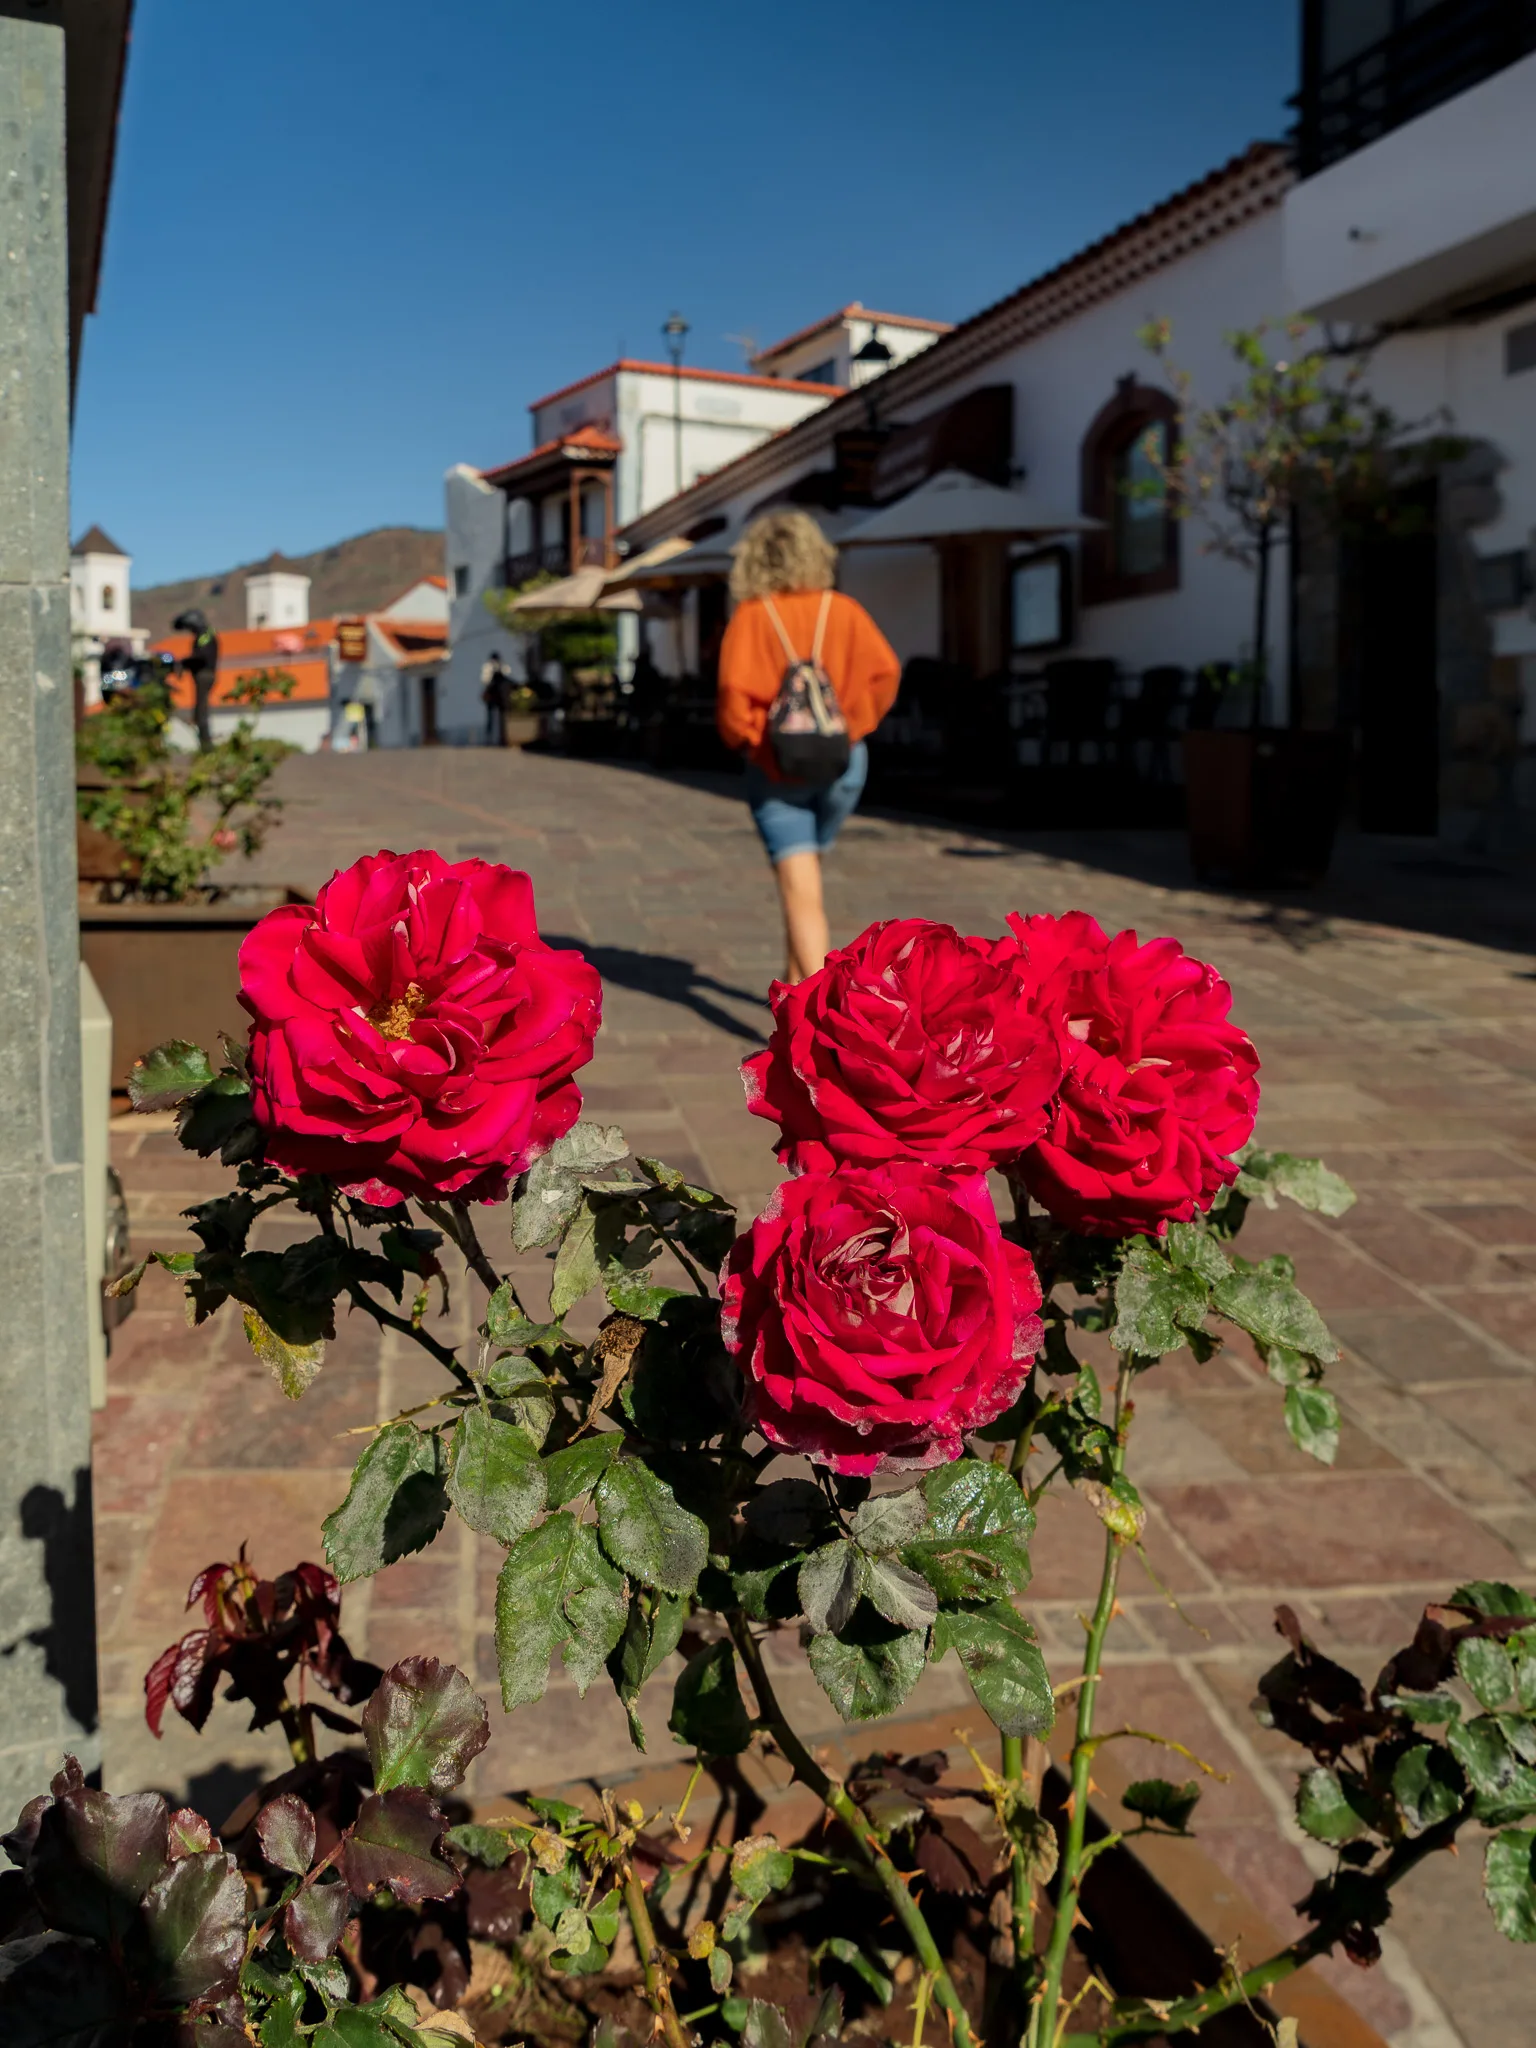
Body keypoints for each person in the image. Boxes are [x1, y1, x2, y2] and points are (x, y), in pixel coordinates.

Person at [717, 510, 899, 984]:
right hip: (845, 763)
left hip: (777, 767)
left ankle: (813, 1020)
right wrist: (852, 728)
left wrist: (756, 742)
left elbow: (734, 706)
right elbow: (886, 675)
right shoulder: (844, 610)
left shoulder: (752, 617)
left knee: (801, 892)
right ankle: (793, 983)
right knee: (803, 882)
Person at [171, 608, 219, 749]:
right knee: (199, 711)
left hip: (205, 675)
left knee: (201, 712)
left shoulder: (205, 636)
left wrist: (184, 662)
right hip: (202, 675)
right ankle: (204, 744)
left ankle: (206, 747)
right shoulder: (205, 635)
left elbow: (202, 657)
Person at [481, 649, 513, 745]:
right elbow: (485, 680)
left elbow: (507, 673)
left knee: (502, 716)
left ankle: (502, 736)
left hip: (501, 694)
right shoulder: (488, 666)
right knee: (490, 717)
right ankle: (489, 736)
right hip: (492, 694)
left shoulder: (502, 665)